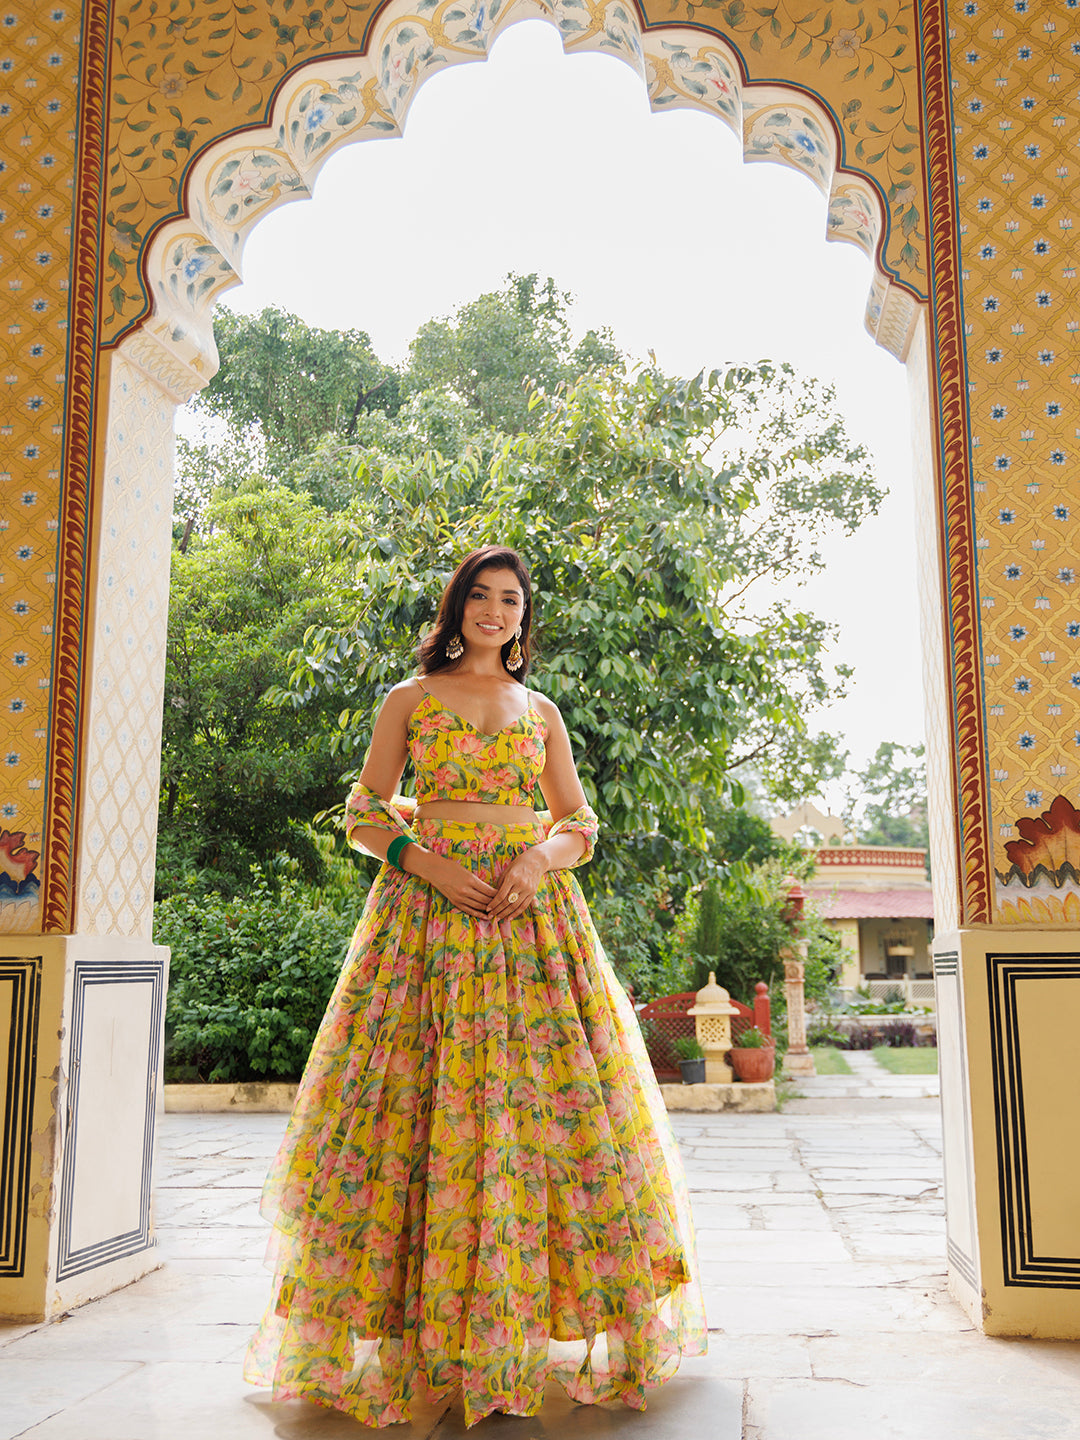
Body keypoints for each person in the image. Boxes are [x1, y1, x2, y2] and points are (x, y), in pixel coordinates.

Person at [244, 545, 706, 1427]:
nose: (495, 613)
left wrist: (538, 856)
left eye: (511, 602)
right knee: (417, 1108)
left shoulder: (541, 710)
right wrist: (425, 863)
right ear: (456, 609)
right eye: (481, 598)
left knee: (547, 1110)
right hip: (426, 919)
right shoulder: (408, 700)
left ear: (523, 619)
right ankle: (420, 1340)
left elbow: (580, 823)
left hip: (531, 922)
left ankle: (518, 1330)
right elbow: (365, 814)